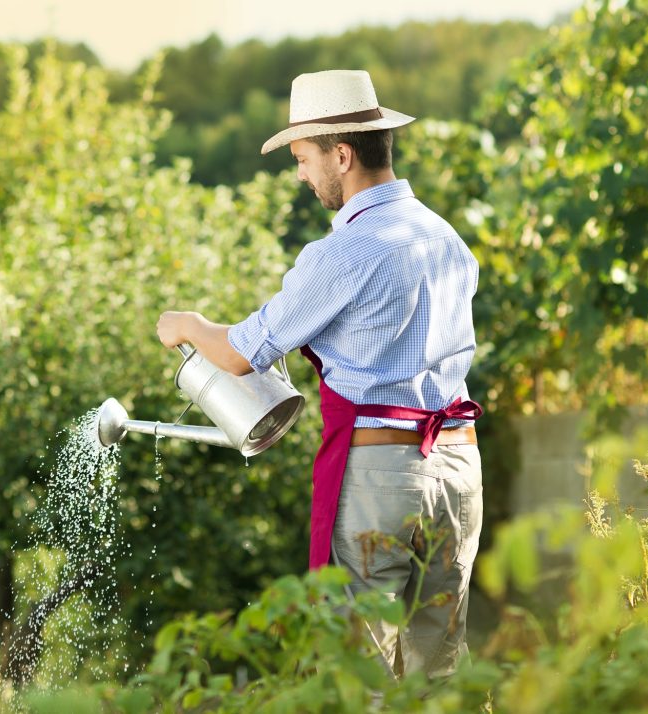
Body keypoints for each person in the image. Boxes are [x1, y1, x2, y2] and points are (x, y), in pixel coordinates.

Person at [156, 69, 483, 679]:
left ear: (342, 154)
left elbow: (240, 353)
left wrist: (188, 324)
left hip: (382, 474)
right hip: (460, 468)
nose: (301, 174)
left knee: (365, 675)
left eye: (304, 158)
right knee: (441, 671)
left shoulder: (344, 251)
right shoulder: (446, 238)